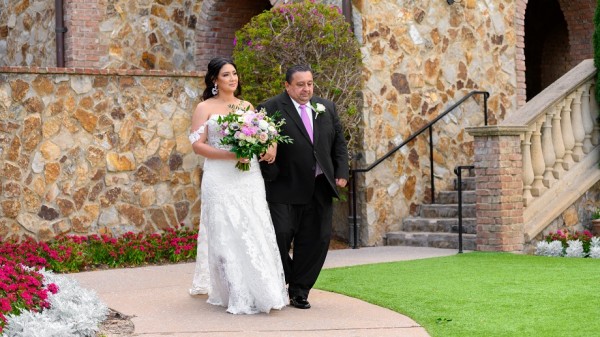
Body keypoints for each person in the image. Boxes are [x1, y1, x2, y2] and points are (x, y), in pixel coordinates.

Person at [188, 57, 287, 314]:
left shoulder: (246, 106)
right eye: (226, 75)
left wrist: (270, 147)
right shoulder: (205, 107)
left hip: (248, 176)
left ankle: (263, 290)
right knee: (224, 231)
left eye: (234, 74)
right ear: (214, 80)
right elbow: (197, 145)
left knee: (253, 226)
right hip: (219, 176)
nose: (233, 79)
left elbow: (264, 133)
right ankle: (234, 291)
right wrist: (230, 155)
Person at [258, 65, 349, 309]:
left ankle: (300, 290)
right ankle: (285, 278)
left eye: (309, 83)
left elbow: (338, 141)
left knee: (317, 239)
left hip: (319, 186)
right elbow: (261, 143)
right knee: (279, 235)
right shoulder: (269, 108)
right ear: (287, 86)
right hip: (284, 186)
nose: (306, 89)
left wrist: (341, 170)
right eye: (300, 84)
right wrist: (268, 167)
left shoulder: (326, 108)